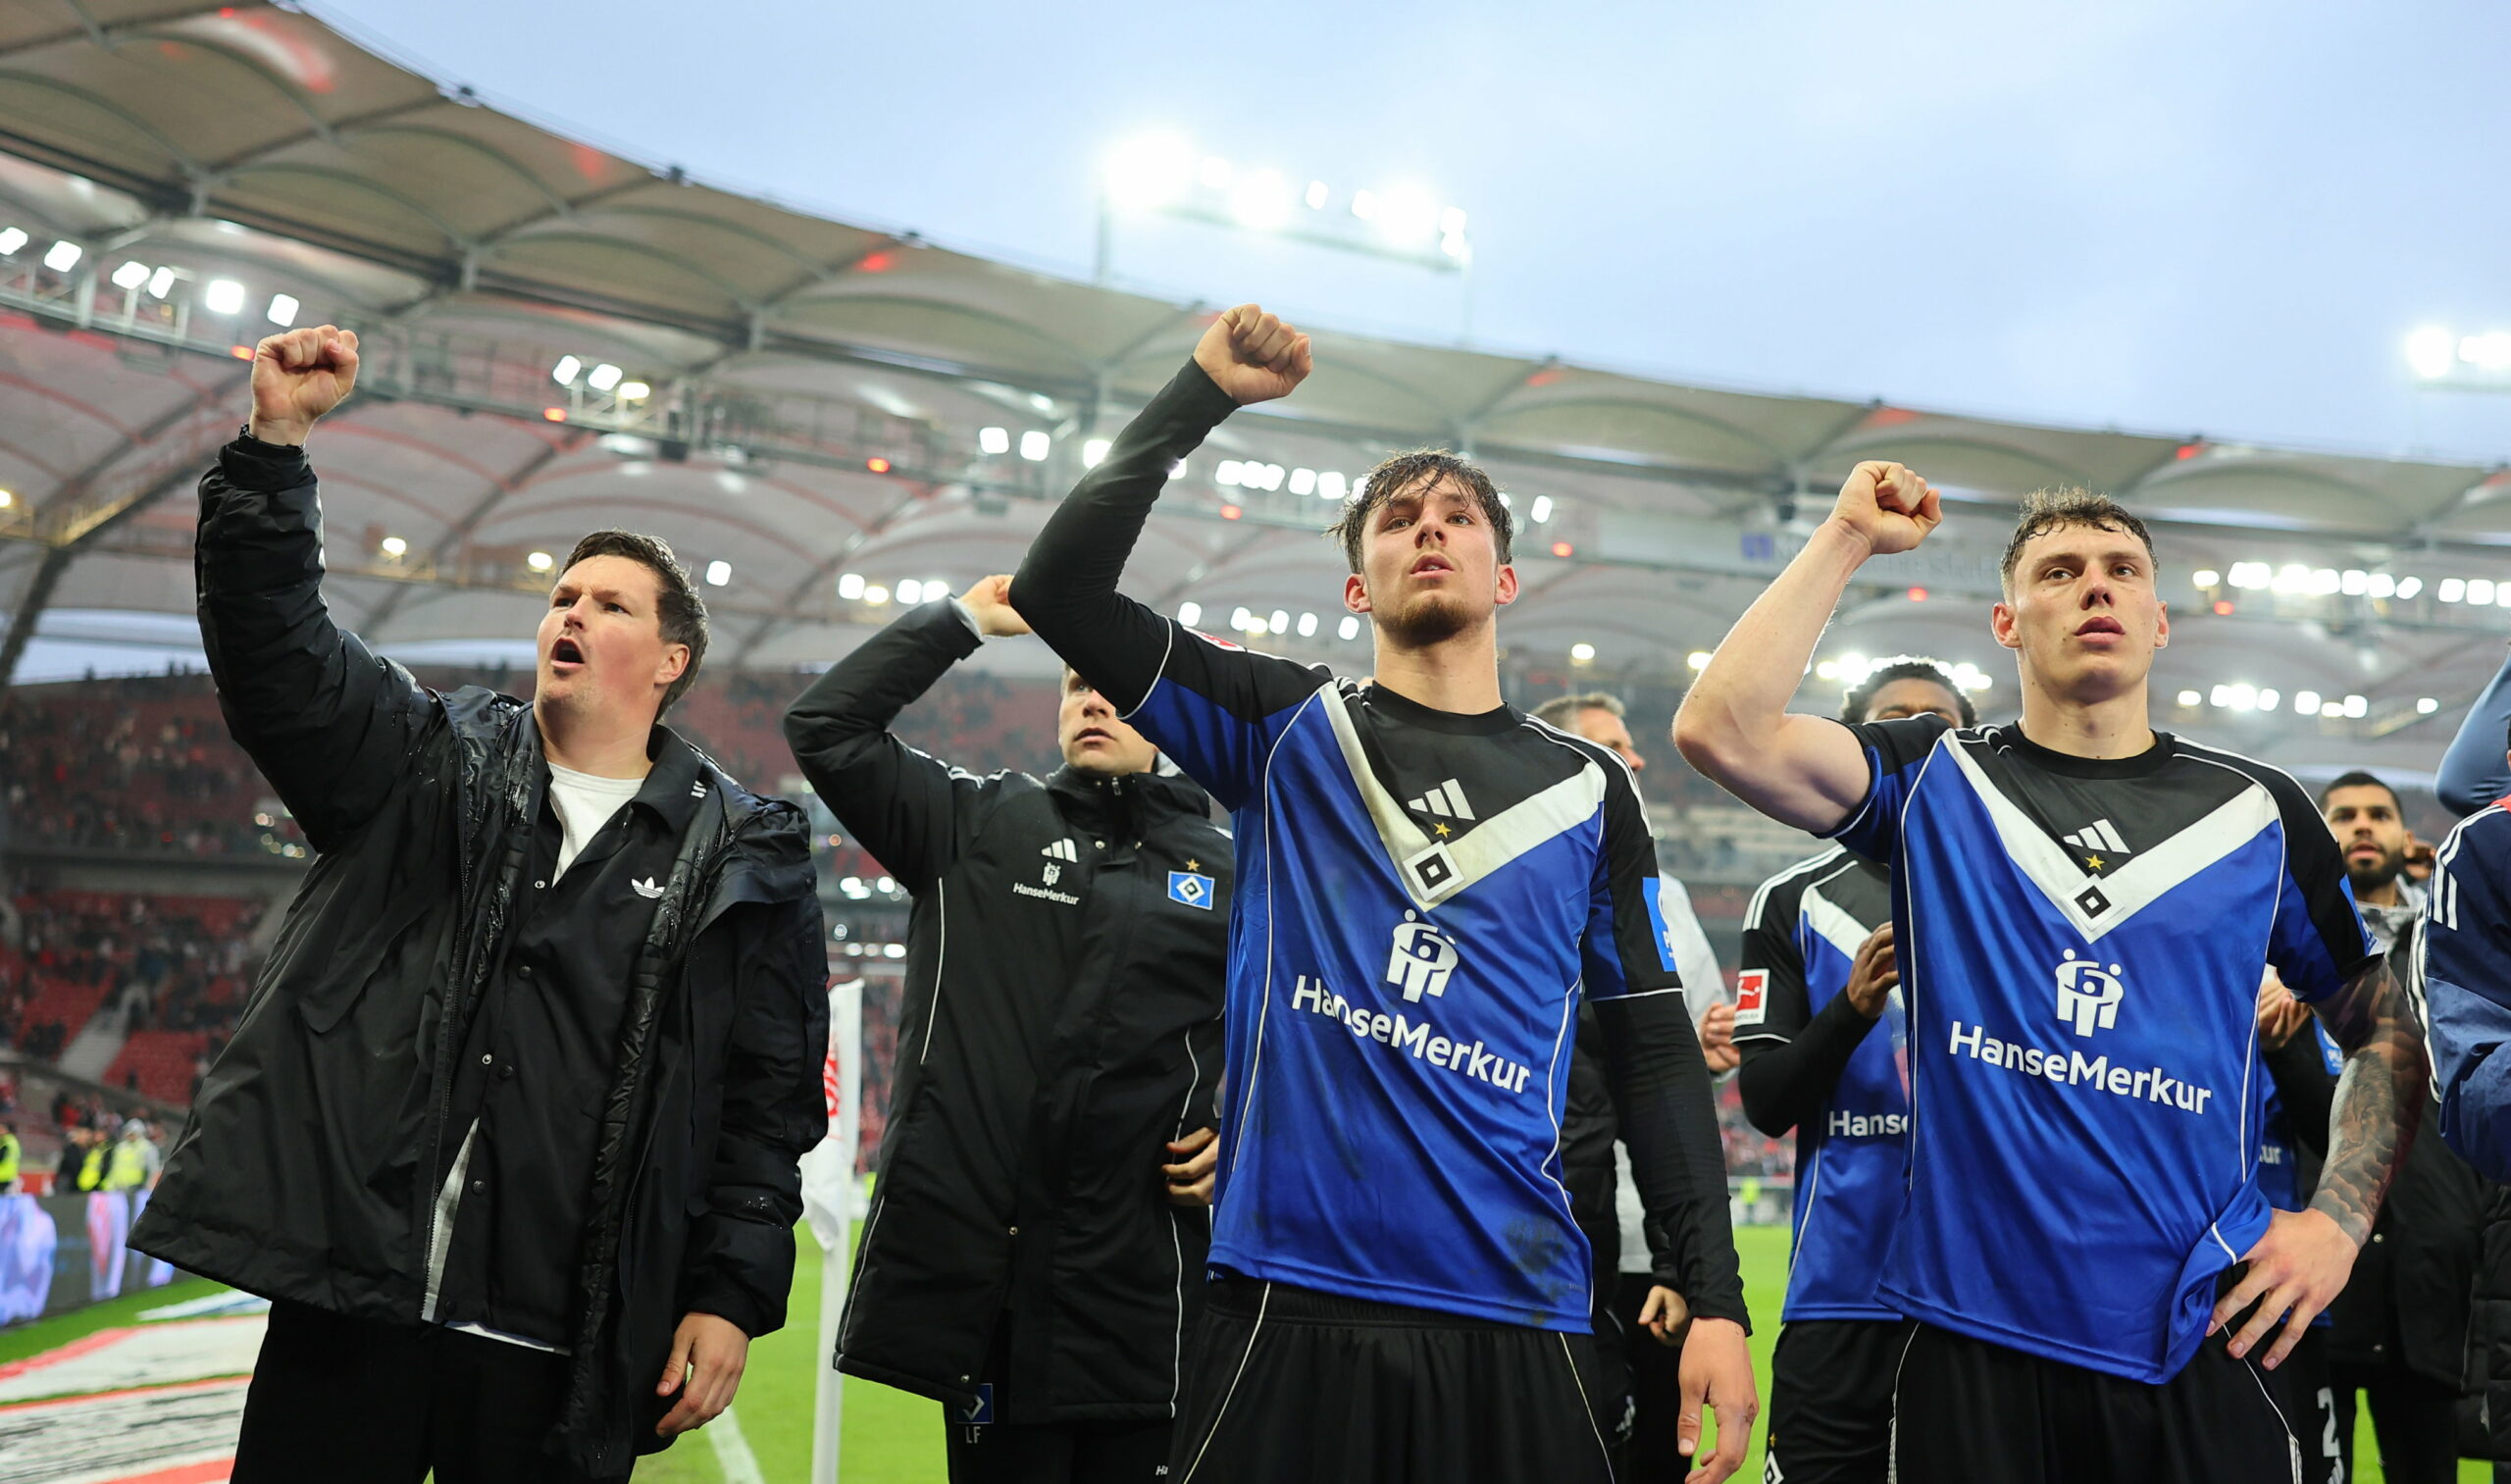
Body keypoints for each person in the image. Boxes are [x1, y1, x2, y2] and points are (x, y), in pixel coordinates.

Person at [1008, 305, 1754, 1484]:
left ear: (1501, 576)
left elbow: (1654, 1050)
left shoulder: (1588, 788)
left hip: (1522, 1307)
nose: (1427, 531)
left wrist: (1711, 1293)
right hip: (1287, 1300)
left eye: (1456, 517)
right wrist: (1199, 394)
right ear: (1356, 586)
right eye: (1397, 520)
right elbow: (1058, 589)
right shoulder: (1282, 727)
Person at [129, 326, 831, 1482]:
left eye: (609, 604)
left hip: (561, 1339)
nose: (572, 611)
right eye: (562, 594)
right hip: (358, 1306)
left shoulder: (746, 854)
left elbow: (763, 1104)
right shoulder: (428, 759)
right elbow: (278, 657)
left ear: (670, 661)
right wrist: (276, 448)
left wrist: (729, 1292)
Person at [1673, 474, 2423, 1483]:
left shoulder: (2258, 811)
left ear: (2159, 621)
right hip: (1971, 1339)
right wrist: (1846, 536)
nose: (2093, 590)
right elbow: (1721, 729)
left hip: (2202, 1328)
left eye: (2121, 572)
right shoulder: (1935, 781)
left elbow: (2384, 1025)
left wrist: (2335, 1222)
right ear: (2006, 622)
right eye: (2058, 573)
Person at [784, 574, 1233, 1484]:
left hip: (1151, 1308)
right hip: (995, 1318)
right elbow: (824, 728)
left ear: (1174, 714)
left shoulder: (1237, 869)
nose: (1093, 696)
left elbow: (1303, 1044)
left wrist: (1252, 1138)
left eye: (1116, 682)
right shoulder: (975, 822)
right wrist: (961, 622)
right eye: (1075, 681)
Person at [1730, 657, 1971, 1484]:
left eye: (1937, 726)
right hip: (1841, 1297)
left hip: (1985, 1304)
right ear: (1851, 748)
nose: (1917, 738)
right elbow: (1763, 1101)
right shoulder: (1793, 901)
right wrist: (1853, 1008)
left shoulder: (2025, 897)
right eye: (1893, 721)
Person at [1529, 692, 1727, 1480]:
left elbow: (1688, 1054)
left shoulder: (1666, 894)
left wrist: (1686, 1262)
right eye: (1611, 744)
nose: (1635, 759)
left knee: (1643, 1446)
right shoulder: (1522, 886)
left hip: (1651, 1231)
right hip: (1548, 1225)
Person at [2309, 771, 2484, 1484]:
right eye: (2343, 815)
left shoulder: (2451, 945)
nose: (2361, 826)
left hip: (2426, 1262)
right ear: (2321, 836)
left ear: (2404, 836)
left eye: (2377, 813)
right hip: (2313, 1262)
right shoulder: (2278, 950)